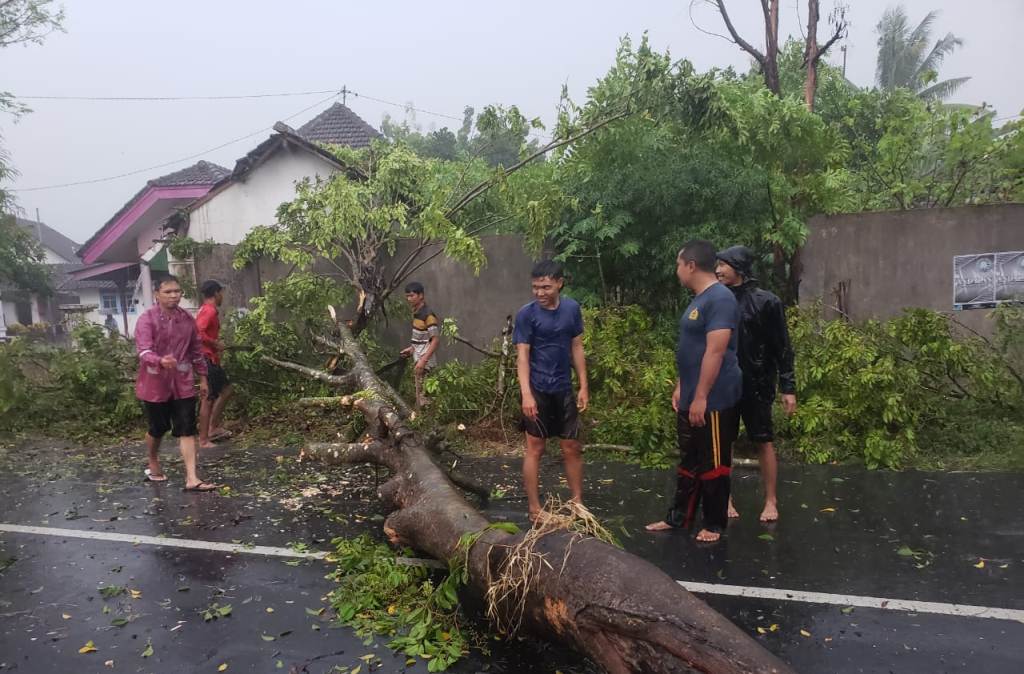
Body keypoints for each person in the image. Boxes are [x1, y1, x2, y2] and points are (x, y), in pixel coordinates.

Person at [646, 241, 742, 543]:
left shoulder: (721, 299)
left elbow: (715, 351)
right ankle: (678, 518)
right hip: (691, 393)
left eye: (678, 264)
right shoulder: (698, 299)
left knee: (713, 462)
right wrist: (681, 385)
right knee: (689, 460)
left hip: (714, 398)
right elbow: (693, 349)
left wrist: (701, 396)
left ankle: (714, 523)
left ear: (690, 265)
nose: (676, 270)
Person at [715, 245, 796, 523]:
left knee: (763, 440)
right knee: (724, 441)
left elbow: (782, 347)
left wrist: (788, 387)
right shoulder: (716, 300)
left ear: (738, 267)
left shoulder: (767, 302)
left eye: (723, 265)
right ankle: (724, 498)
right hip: (723, 382)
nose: (717, 270)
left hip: (758, 382)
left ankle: (771, 500)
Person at [513, 260, 589, 522]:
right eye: (535, 288)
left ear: (559, 282)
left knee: (572, 446)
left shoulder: (572, 309)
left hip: (564, 387)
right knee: (535, 447)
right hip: (537, 388)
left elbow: (576, 347)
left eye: (545, 287)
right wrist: (526, 394)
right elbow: (522, 356)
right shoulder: (526, 314)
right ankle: (535, 509)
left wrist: (583, 385)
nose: (540, 293)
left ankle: (577, 502)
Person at [134, 275, 217, 491]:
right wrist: (160, 360)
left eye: (177, 291)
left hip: (183, 383)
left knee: (186, 428)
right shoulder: (147, 319)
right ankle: (153, 459)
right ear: (156, 295)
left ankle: (192, 478)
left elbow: (196, 351)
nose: (174, 296)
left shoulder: (187, 319)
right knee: (158, 427)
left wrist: (204, 378)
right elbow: (143, 350)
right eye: (168, 292)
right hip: (155, 384)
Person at [196, 279, 234, 448]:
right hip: (206, 359)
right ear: (217, 293)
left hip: (212, 358)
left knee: (226, 390)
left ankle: (213, 427)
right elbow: (198, 333)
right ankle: (204, 439)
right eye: (221, 293)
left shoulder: (208, 310)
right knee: (208, 399)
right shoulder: (209, 311)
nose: (222, 297)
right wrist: (215, 343)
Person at [399, 281, 440, 409]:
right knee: (420, 395)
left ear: (421, 295)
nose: (409, 299)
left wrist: (423, 360)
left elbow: (435, 340)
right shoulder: (417, 313)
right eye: (407, 296)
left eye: (412, 295)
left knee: (425, 397)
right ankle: (422, 423)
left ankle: (429, 425)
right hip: (418, 358)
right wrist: (411, 349)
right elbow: (421, 338)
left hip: (425, 361)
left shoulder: (428, 315)